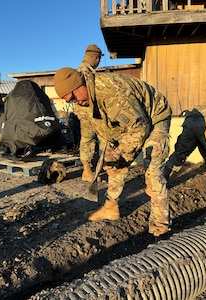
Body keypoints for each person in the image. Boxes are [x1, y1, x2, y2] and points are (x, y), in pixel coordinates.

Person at [53, 67, 172, 237]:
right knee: (113, 161)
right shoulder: (86, 100)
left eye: (73, 97)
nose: (74, 102)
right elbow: (103, 129)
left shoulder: (112, 93)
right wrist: (111, 155)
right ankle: (110, 207)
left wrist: (122, 153)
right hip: (133, 121)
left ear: (80, 85)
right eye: (69, 100)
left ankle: (161, 227)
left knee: (153, 172)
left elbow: (140, 129)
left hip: (155, 117)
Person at [75, 44, 104, 181]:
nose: (99, 61)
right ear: (92, 57)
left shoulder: (88, 70)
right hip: (87, 112)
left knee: (92, 139)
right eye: (98, 58)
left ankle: (91, 168)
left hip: (90, 111)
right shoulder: (84, 72)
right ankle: (87, 171)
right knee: (88, 139)